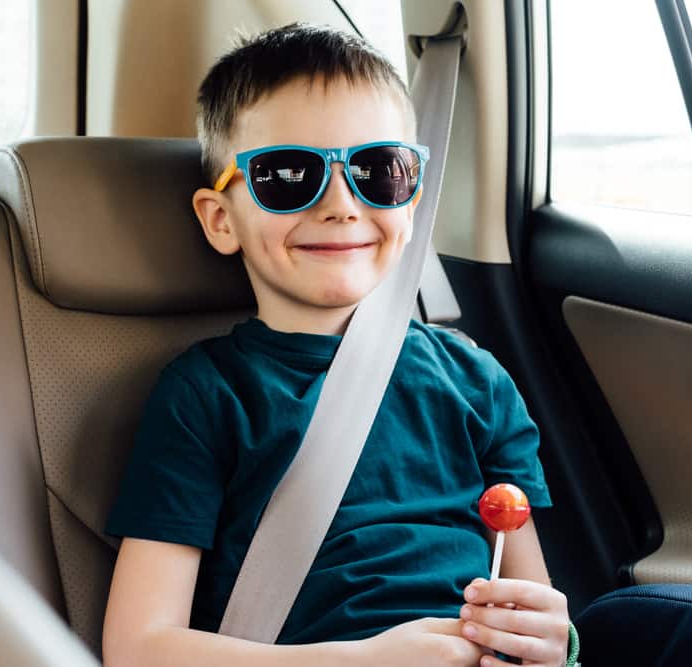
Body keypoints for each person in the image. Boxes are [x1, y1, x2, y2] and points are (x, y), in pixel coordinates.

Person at [102, 22, 572, 667]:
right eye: (288, 174)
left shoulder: (476, 381)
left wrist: (552, 641)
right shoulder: (205, 395)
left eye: (379, 171)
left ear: (411, 204)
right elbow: (138, 648)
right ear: (221, 220)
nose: (342, 204)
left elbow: (527, 597)